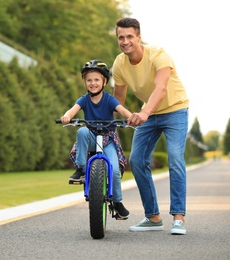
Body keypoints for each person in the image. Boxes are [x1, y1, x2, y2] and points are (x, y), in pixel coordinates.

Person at [112, 17, 189, 235]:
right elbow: (118, 97)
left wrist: (145, 112)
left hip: (175, 110)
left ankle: (178, 217)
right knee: (136, 160)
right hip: (149, 113)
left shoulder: (159, 55)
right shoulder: (119, 63)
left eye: (129, 37)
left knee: (175, 157)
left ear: (139, 37)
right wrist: (105, 120)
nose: (125, 41)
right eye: (121, 37)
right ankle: (153, 217)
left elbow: (161, 88)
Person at [60, 59, 132, 219]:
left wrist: (132, 117)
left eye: (96, 80)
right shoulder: (84, 99)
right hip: (92, 137)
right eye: (89, 80)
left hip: (108, 139)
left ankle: (118, 202)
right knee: (82, 131)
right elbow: (73, 110)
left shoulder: (109, 99)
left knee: (113, 170)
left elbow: (122, 110)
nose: (93, 83)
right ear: (85, 82)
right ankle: (81, 169)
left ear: (104, 81)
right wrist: (66, 116)